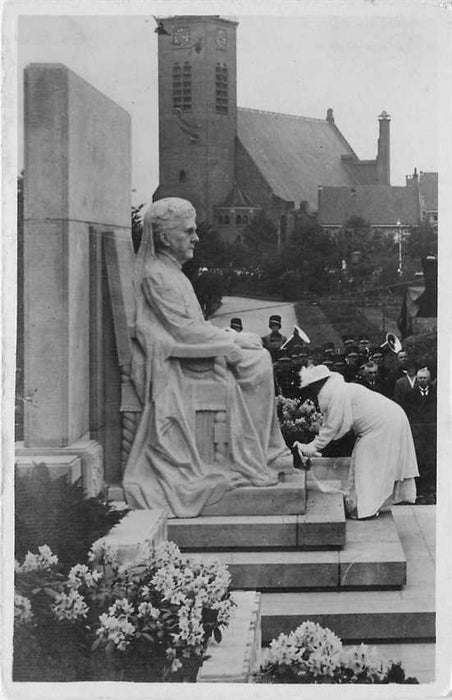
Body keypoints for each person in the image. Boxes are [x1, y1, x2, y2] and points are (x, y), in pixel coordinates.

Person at [123, 198, 290, 517]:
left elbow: (193, 327)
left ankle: (264, 450)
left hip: (190, 356)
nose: (196, 238)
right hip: (181, 367)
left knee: (255, 353)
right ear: (164, 238)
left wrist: (232, 336)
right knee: (256, 362)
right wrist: (232, 339)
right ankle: (259, 453)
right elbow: (184, 333)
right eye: (188, 231)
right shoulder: (157, 275)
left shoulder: (173, 273)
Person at [294, 365, 419, 519]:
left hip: (385, 424)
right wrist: (312, 447)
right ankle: (369, 506)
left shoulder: (338, 393)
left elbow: (331, 428)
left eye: (313, 385)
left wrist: (311, 448)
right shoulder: (339, 390)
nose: (312, 389)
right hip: (386, 421)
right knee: (368, 463)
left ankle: (366, 509)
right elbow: (331, 426)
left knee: (367, 464)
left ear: (322, 382)